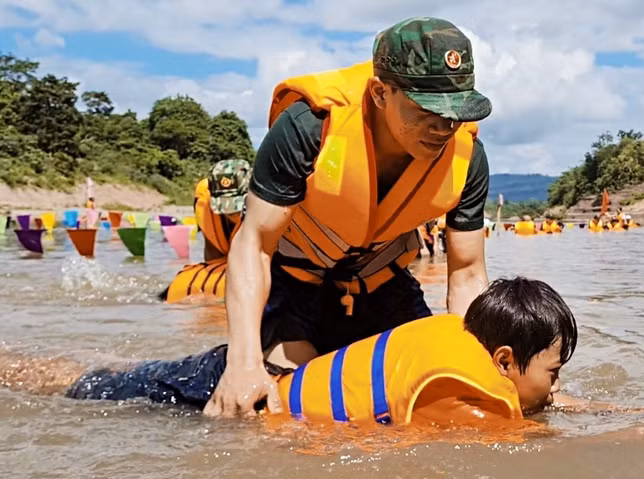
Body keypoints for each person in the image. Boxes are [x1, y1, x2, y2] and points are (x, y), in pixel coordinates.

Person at [209, 17, 493, 417]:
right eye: (427, 109)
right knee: (286, 407)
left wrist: (483, 365)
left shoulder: (468, 157)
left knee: (440, 387)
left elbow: (466, 272)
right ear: (380, 92)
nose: (444, 126)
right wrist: (243, 363)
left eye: (456, 111)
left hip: (379, 286)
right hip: (293, 286)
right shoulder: (310, 127)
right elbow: (254, 244)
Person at [3, 278, 580, 426]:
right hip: (234, 387)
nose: (554, 389)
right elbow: (524, 442)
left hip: (281, 372)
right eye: (553, 374)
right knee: (87, 384)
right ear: (502, 361)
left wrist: (557, 401)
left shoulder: (464, 353)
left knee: (121, 374)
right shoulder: (467, 401)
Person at [157, 160, 250, 303]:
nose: (230, 211)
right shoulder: (204, 200)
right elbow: (212, 249)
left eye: (235, 204)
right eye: (224, 204)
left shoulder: (268, 202)